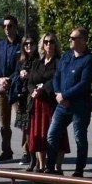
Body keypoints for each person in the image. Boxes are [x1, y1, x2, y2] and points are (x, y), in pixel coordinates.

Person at [47, 26, 92, 177]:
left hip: (80, 106)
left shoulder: (89, 59)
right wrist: (58, 94)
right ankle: (50, 168)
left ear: (83, 40)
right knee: (52, 134)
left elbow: (83, 83)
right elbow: (56, 76)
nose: (70, 40)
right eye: (70, 37)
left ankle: (79, 169)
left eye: (74, 38)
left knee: (79, 137)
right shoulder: (66, 56)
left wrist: (65, 95)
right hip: (62, 104)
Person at [0, 16, 25, 161]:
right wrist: (0, 78)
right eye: (4, 26)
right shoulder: (1, 45)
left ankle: (27, 151)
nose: (6, 29)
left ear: (16, 27)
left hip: (16, 87)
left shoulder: (22, 45)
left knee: (22, 121)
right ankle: (6, 151)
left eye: (10, 26)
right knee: (4, 123)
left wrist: (9, 79)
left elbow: (22, 66)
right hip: (2, 88)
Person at [25, 33, 60, 172]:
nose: (49, 45)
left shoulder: (59, 62)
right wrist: (33, 90)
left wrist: (43, 89)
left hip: (51, 102)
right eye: (46, 42)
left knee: (53, 134)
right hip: (37, 104)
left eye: (51, 42)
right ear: (42, 45)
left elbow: (56, 79)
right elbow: (30, 81)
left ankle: (56, 167)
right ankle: (41, 165)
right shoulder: (36, 63)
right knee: (38, 134)